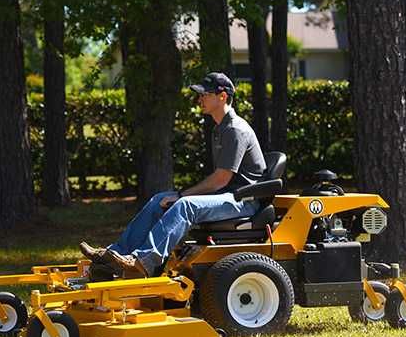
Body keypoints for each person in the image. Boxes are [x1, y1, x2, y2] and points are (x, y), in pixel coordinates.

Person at [79, 72, 267, 278]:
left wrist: (181, 195)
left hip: (244, 200)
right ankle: (115, 255)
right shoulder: (220, 129)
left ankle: (142, 262)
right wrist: (179, 194)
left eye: (205, 94)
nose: (199, 99)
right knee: (159, 199)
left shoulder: (235, 129)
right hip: (229, 195)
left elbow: (221, 179)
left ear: (222, 96)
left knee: (185, 205)